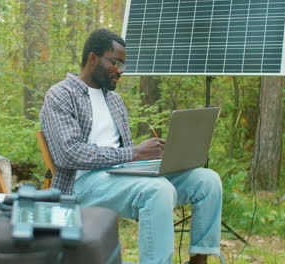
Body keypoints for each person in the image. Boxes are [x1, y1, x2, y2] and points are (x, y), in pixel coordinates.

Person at [40, 28, 222, 264]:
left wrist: (153, 157)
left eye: (123, 65)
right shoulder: (61, 95)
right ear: (93, 58)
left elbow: (122, 152)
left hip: (121, 174)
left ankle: (199, 260)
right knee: (158, 191)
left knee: (207, 180)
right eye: (116, 63)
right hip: (82, 182)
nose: (120, 72)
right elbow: (69, 154)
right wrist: (134, 152)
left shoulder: (114, 100)